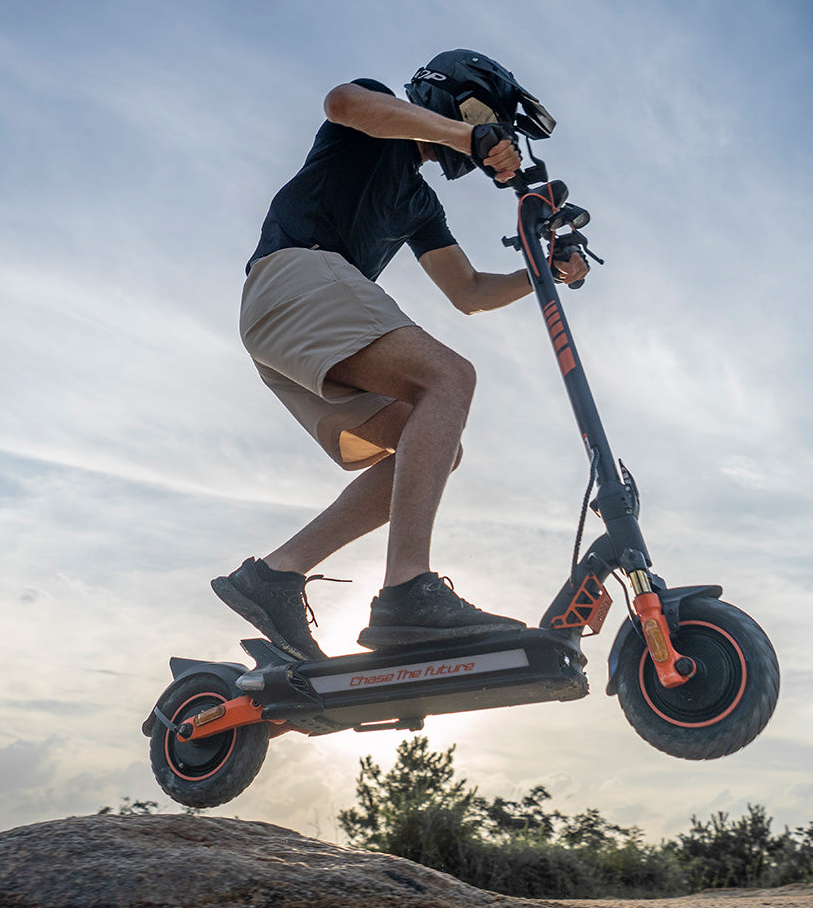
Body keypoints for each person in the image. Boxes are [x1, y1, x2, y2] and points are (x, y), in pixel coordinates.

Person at [212, 50, 588, 660]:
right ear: (455, 99)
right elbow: (343, 103)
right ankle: (406, 590)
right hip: (297, 274)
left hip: (287, 322)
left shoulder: (418, 203)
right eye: (480, 118)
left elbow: (467, 292)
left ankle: (276, 575)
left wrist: (539, 271)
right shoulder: (373, 114)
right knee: (449, 378)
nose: (474, 145)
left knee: (436, 444)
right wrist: (471, 134)